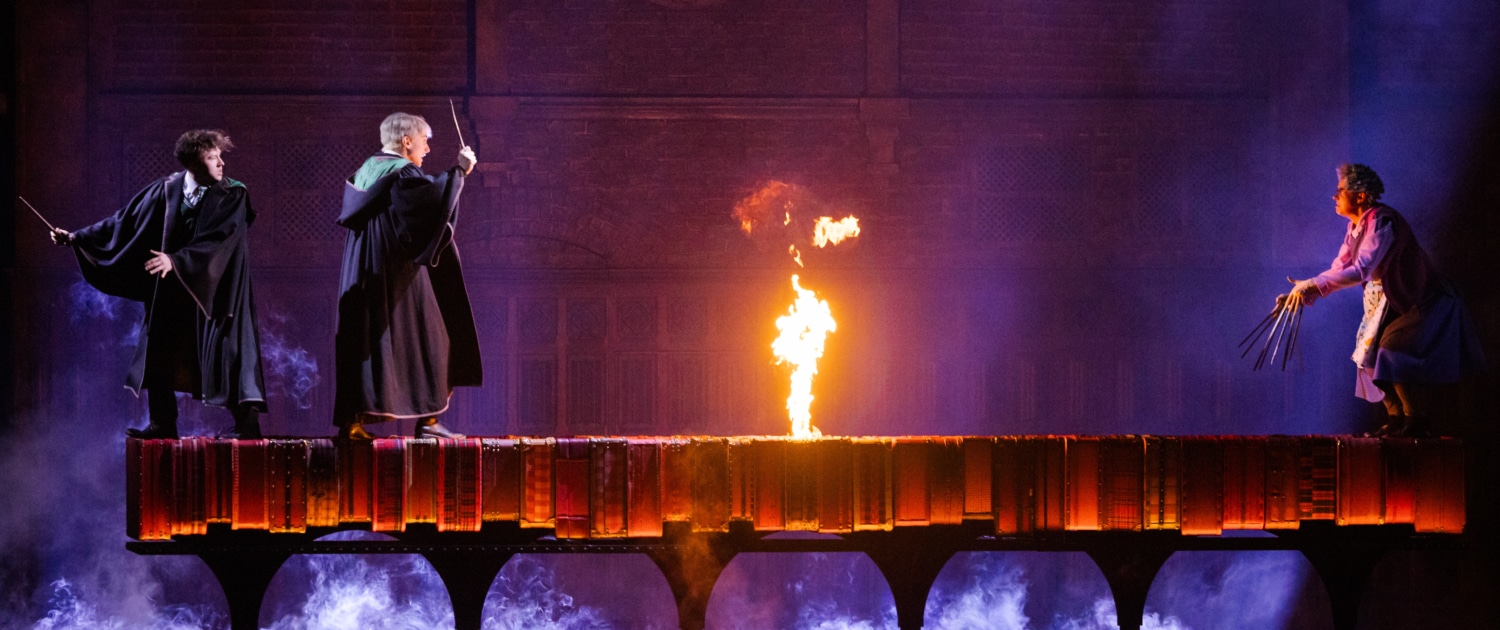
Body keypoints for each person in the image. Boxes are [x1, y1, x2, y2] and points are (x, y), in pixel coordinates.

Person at [52, 129, 267, 439]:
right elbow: (122, 222)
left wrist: (176, 260)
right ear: (193, 162)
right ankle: (163, 424)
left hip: (217, 287)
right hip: (173, 288)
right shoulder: (166, 190)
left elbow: (222, 237)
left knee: (230, 352)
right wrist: (76, 237)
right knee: (159, 348)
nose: (221, 163)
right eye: (212, 157)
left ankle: (248, 427)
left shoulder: (232, 193)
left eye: (221, 156)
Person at [1287, 163, 1484, 437]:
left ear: (1361, 195)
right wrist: (1306, 290)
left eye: (1340, 190)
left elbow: (1362, 269)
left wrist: (1314, 286)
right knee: (1368, 357)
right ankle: (1396, 418)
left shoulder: (1381, 221)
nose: (1334, 196)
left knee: (1392, 351)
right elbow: (1338, 268)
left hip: (1424, 300)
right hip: (1394, 301)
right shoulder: (1355, 228)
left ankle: (1417, 419)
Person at [334, 112, 482, 440]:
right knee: (434, 339)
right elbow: (425, 207)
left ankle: (352, 422)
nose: (427, 149)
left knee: (365, 343)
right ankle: (428, 424)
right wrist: (459, 171)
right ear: (406, 141)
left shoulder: (365, 172)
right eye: (424, 141)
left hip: (363, 273)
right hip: (396, 274)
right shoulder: (402, 172)